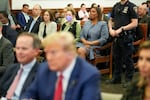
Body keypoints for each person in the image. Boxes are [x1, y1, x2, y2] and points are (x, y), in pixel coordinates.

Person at [21, 31, 101, 100]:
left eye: (53, 53)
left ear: (70, 53)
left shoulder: (89, 75)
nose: (48, 58)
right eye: (47, 52)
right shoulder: (44, 69)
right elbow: (29, 93)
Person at [0, 32, 42, 99]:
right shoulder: (12, 69)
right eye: (17, 48)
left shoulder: (42, 74)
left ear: (36, 51)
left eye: (24, 48)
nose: (19, 52)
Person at [107, 0, 138, 87]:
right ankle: (117, 78)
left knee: (127, 59)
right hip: (116, 36)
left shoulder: (132, 6)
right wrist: (110, 29)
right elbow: (110, 20)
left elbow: (135, 23)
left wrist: (122, 28)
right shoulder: (116, 5)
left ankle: (129, 79)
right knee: (117, 58)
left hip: (126, 36)